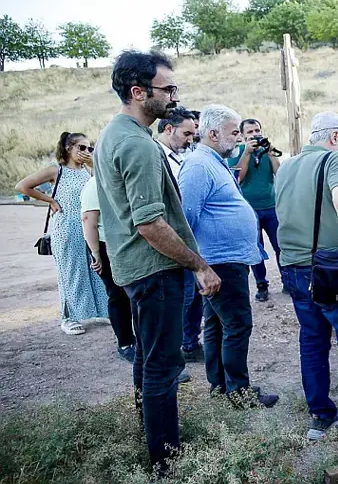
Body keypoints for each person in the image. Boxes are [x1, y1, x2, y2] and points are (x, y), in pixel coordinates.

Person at [94, 49, 221, 472]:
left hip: (137, 269)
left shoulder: (115, 133)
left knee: (148, 359)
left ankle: (150, 438)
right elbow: (149, 223)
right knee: (163, 366)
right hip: (155, 269)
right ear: (138, 92)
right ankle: (165, 461)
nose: (174, 96)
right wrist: (199, 265)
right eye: (168, 89)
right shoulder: (137, 144)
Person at [275, 112, 338, 446]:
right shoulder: (335, 159)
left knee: (312, 340)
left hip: (293, 267)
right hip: (332, 269)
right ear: (334, 137)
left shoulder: (286, 166)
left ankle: (321, 416)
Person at [178, 104, 278, 408]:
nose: (238, 138)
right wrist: (198, 266)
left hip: (225, 260)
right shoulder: (198, 165)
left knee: (217, 325)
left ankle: (221, 387)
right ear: (212, 133)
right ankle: (239, 393)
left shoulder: (213, 161)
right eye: (234, 132)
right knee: (237, 325)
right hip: (219, 262)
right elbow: (185, 218)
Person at [15, 132, 108, 335]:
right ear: (68, 148)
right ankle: (68, 318)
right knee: (70, 272)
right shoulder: (56, 170)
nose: (86, 152)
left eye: (89, 148)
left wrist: (93, 164)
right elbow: (22, 186)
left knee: (95, 269)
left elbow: (102, 187)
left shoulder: (88, 170)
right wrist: (50, 200)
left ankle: (100, 310)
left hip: (88, 228)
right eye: (81, 147)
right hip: (66, 229)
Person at [156, 107, 204, 363]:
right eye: (186, 134)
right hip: (171, 240)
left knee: (194, 295)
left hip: (188, 238)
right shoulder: (155, 157)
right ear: (168, 129)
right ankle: (171, 356)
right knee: (180, 300)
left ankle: (189, 343)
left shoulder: (179, 157)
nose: (190, 139)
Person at [81, 174, 136, 361]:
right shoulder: (94, 185)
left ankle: (134, 338)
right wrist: (96, 253)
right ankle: (125, 343)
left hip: (124, 243)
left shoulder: (116, 178)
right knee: (117, 294)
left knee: (130, 294)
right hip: (105, 246)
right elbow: (88, 220)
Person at [226, 118, 282, 301]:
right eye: (249, 132)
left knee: (280, 246)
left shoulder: (267, 151)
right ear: (242, 136)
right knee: (256, 249)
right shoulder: (238, 152)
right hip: (249, 210)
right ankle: (261, 284)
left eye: (257, 130)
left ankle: (288, 281)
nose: (254, 134)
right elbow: (238, 177)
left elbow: (279, 174)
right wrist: (247, 153)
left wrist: (271, 153)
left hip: (271, 207)